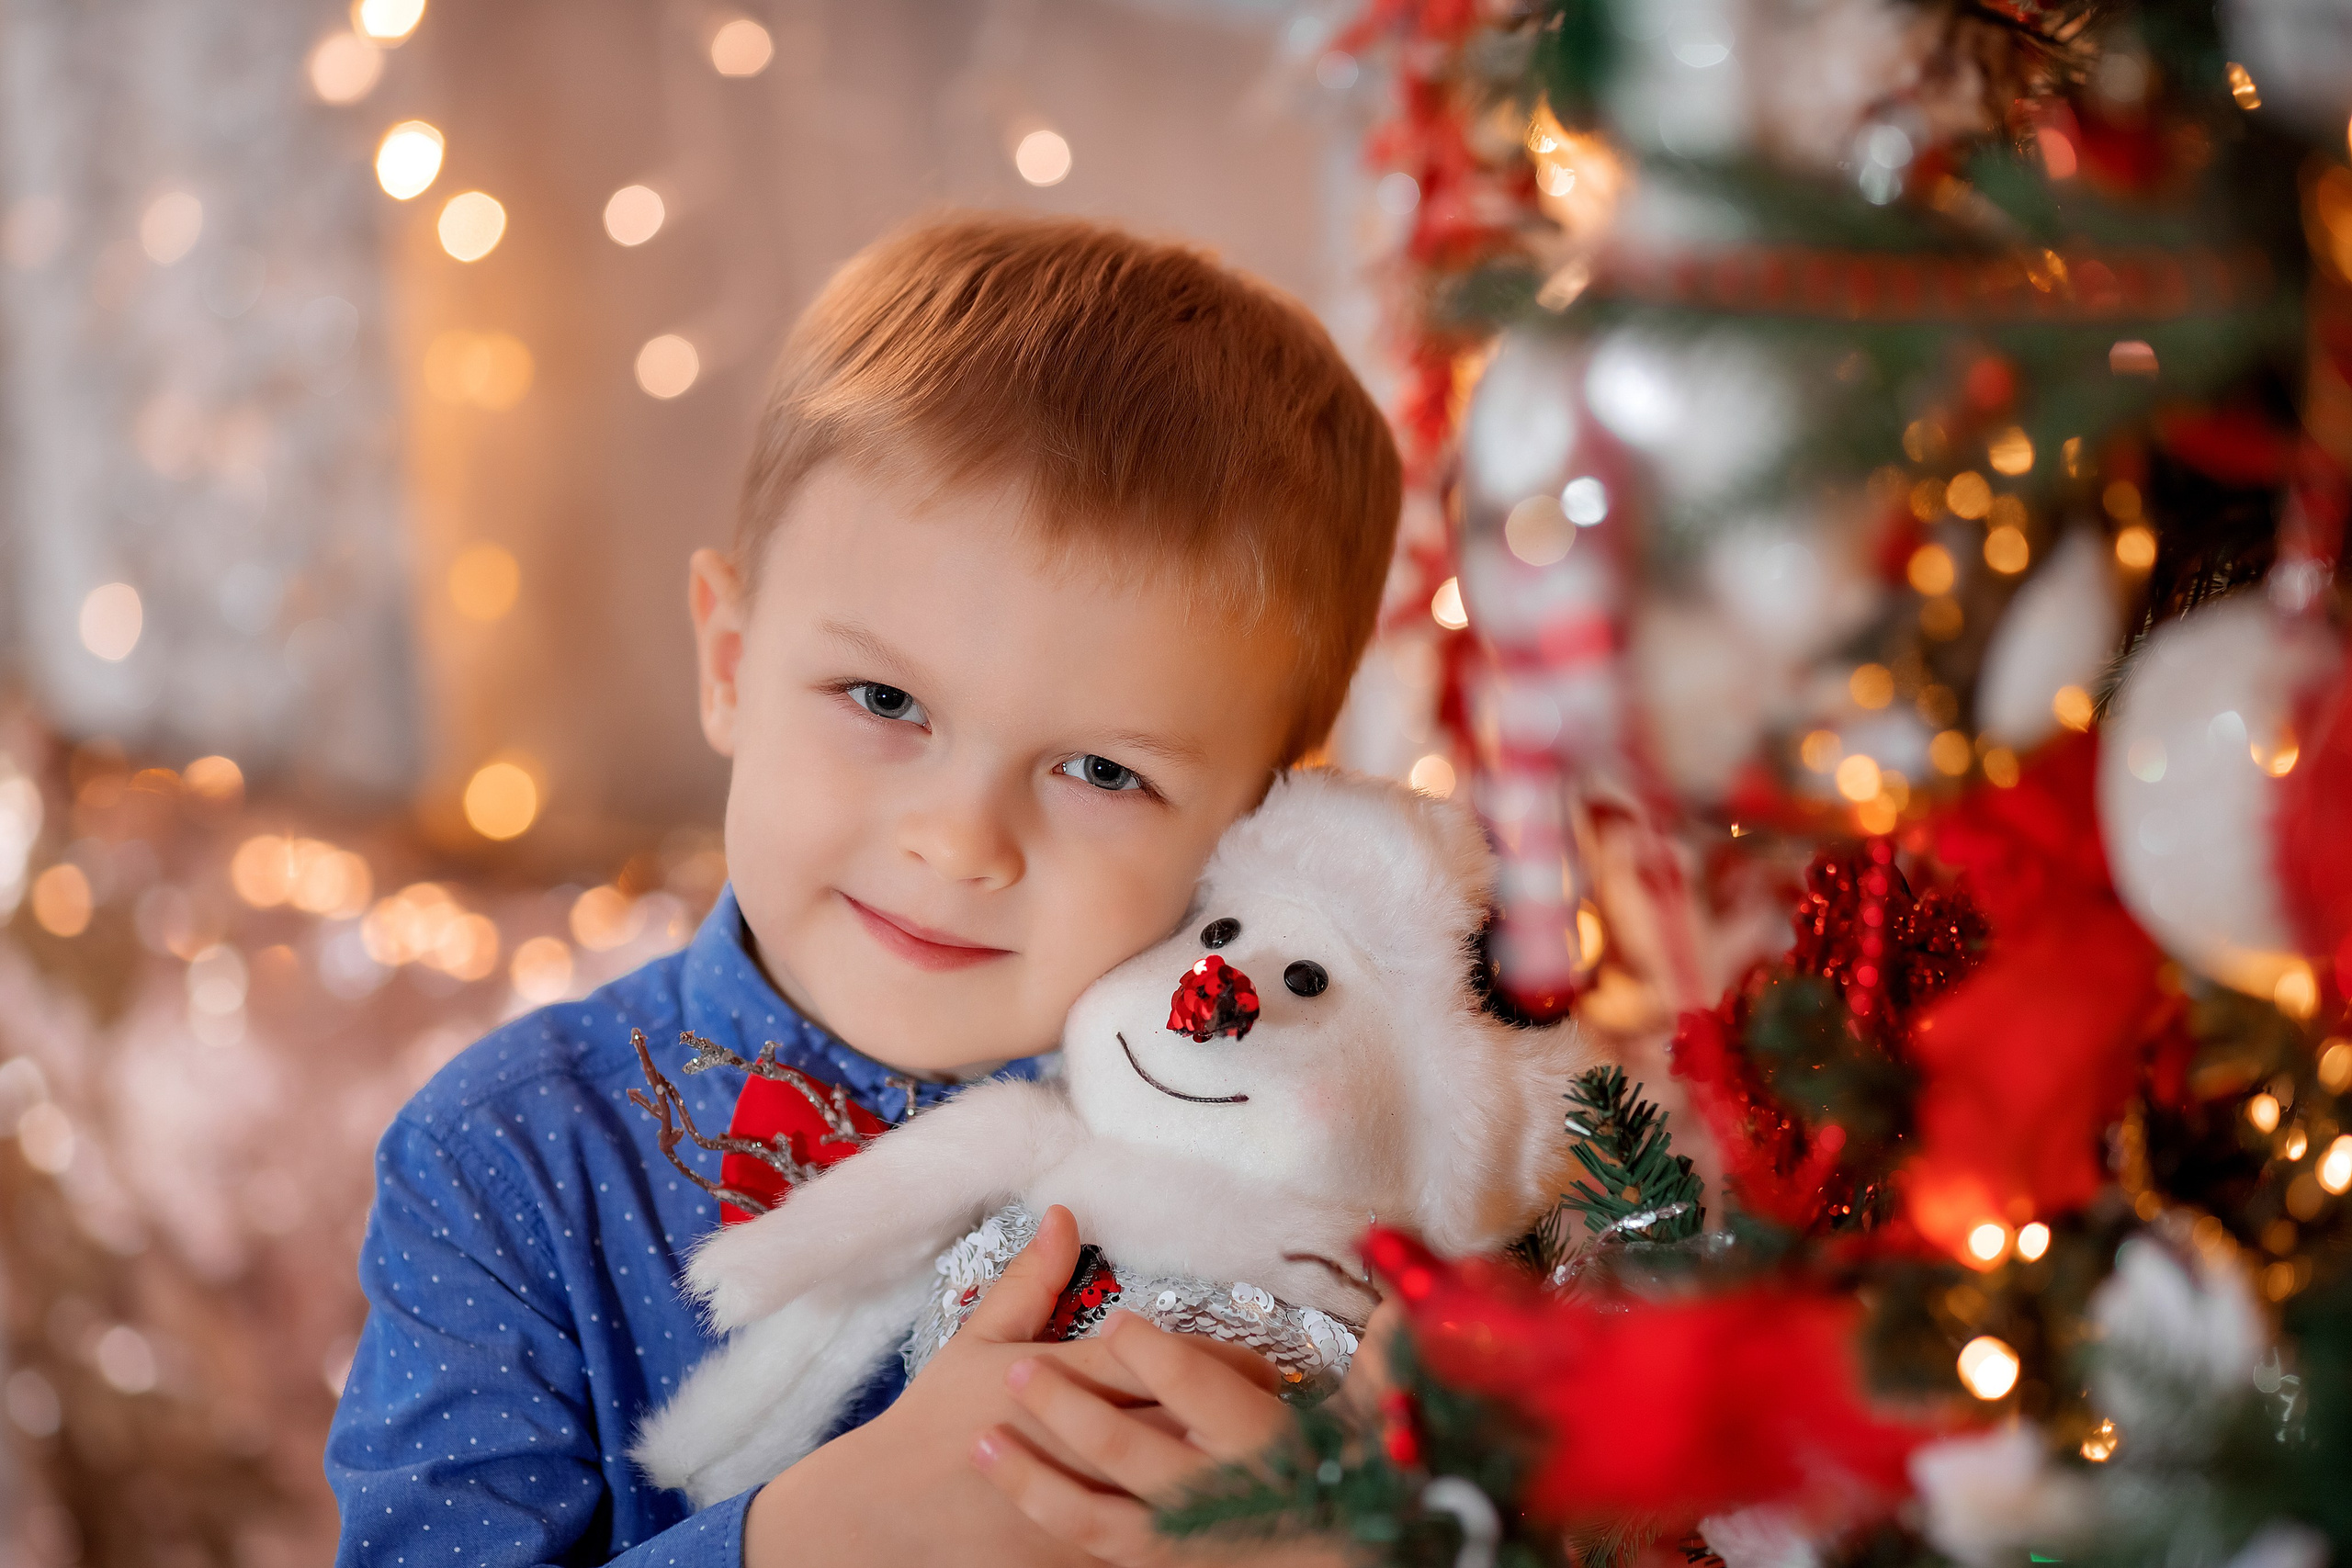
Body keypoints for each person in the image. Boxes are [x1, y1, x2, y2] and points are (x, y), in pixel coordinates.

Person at [323, 212, 1402, 1566]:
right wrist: (806, 1538)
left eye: (1101, 771)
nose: (959, 842)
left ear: (1261, 823)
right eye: (884, 700)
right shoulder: (507, 1161)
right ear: (731, 662)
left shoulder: (1340, 1158)